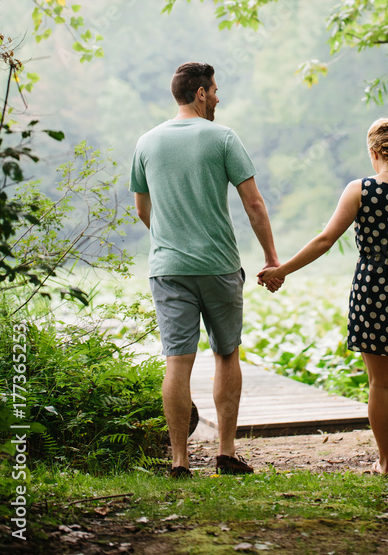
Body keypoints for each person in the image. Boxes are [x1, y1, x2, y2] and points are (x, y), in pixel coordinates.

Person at [260, 117, 388, 477]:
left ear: (374, 151)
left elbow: (324, 240)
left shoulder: (359, 190)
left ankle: (384, 461)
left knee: (379, 383)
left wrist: (282, 270)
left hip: (371, 290)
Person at [130, 61, 280, 478]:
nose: (217, 98)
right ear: (200, 93)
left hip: (168, 267)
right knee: (226, 353)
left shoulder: (146, 142)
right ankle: (226, 454)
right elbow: (254, 203)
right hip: (218, 266)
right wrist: (271, 258)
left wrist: (170, 239)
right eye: (214, 90)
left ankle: (179, 461)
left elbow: (142, 209)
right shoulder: (223, 137)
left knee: (177, 361)